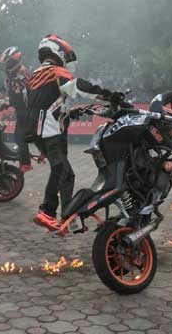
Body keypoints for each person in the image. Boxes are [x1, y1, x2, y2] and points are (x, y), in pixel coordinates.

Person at [26, 34, 112, 231]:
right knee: (60, 169)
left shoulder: (35, 75)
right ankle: (47, 211)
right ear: (59, 52)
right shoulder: (55, 71)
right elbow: (79, 87)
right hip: (49, 130)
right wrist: (108, 96)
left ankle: (69, 217)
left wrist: (70, 112)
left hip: (39, 130)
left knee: (66, 174)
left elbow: (44, 102)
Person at [0, 47, 32, 172]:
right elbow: (6, 87)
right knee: (19, 136)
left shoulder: (21, 73)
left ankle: (25, 163)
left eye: (8, 62)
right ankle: (25, 158)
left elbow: (17, 95)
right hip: (21, 108)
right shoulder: (12, 73)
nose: (6, 65)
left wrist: (4, 103)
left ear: (14, 61)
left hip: (26, 109)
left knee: (19, 136)